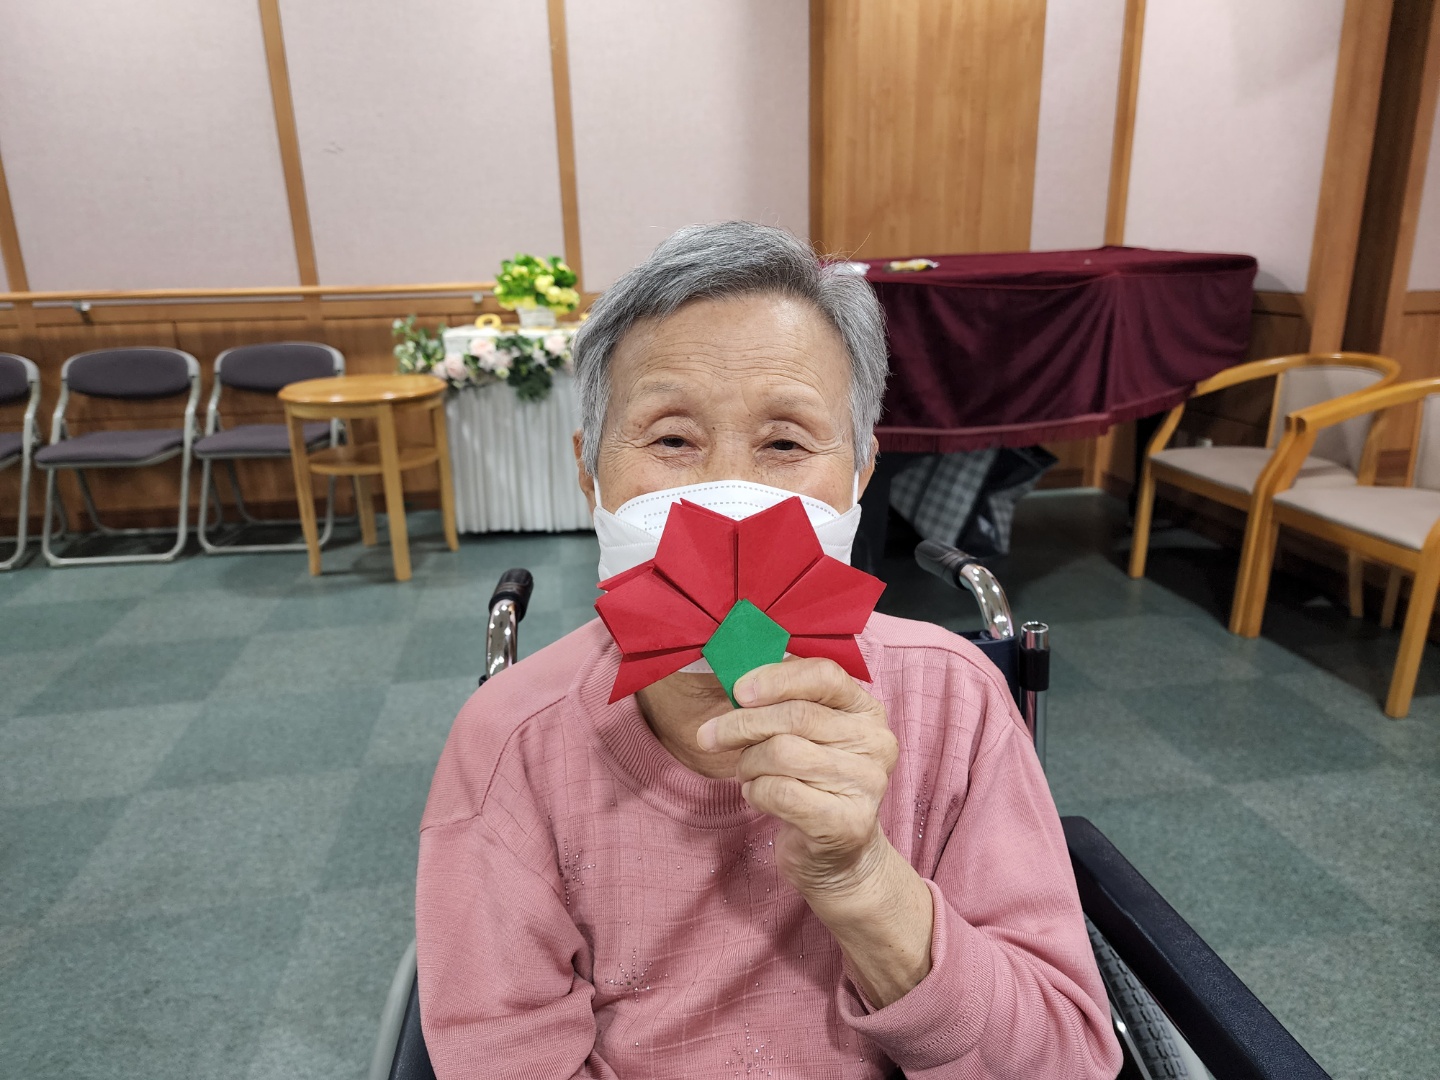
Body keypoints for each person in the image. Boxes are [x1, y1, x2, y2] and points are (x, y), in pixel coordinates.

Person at [415, 222, 1122, 1079]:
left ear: (861, 473)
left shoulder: (957, 701)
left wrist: (863, 879)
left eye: (785, 443)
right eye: (671, 439)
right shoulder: (509, 743)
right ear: (589, 470)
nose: (728, 500)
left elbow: (1062, 1061)